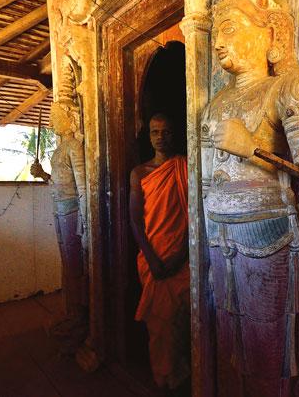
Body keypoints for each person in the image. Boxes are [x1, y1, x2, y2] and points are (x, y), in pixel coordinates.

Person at [200, 0, 299, 395]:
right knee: (230, 343)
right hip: (218, 235)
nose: (218, 41)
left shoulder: (290, 87)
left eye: (230, 28)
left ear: (268, 33)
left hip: (266, 233)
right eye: (217, 31)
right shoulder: (216, 103)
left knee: (266, 348)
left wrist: (254, 149)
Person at [129, 113, 191, 392]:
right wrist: (152, 259)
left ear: (173, 134)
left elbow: (194, 214)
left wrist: (181, 255)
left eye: (166, 132)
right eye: (155, 132)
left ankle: (180, 373)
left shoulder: (183, 167)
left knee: (182, 320)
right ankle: (162, 375)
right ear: (149, 136)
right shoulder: (139, 173)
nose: (161, 137)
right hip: (152, 258)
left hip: (182, 256)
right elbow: (135, 220)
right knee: (159, 323)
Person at [31, 95, 89, 353]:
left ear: (68, 118)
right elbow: (59, 182)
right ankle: (73, 313)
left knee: (75, 266)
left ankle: (80, 317)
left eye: (57, 116)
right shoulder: (59, 149)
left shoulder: (74, 146)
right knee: (67, 265)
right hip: (59, 207)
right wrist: (43, 174)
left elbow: (83, 186)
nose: (54, 120)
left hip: (72, 211)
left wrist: (85, 218)